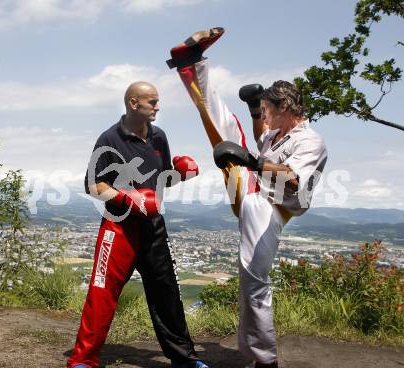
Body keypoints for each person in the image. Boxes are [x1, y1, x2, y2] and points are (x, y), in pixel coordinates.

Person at [167, 29, 327, 368]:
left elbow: (294, 179)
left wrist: (252, 161)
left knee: (253, 282)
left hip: (271, 205)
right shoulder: (281, 133)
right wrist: (255, 111)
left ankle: (263, 359)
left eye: (267, 109)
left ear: (285, 106)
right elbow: (261, 138)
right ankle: (191, 65)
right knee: (224, 127)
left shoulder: (309, 141)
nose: (264, 118)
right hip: (255, 193)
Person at [67, 81, 209, 368]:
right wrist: (127, 199)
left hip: (153, 226)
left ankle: (184, 359)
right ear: (134, 103)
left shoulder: (159, 138)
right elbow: (93, 185)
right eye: (152, 101)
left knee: (167, 292)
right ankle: (83, 359)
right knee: (102, 292)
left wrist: (182, 175)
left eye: (157, 101)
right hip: (118, 226)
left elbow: (162, 180)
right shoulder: (110, 138)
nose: (158, 106)